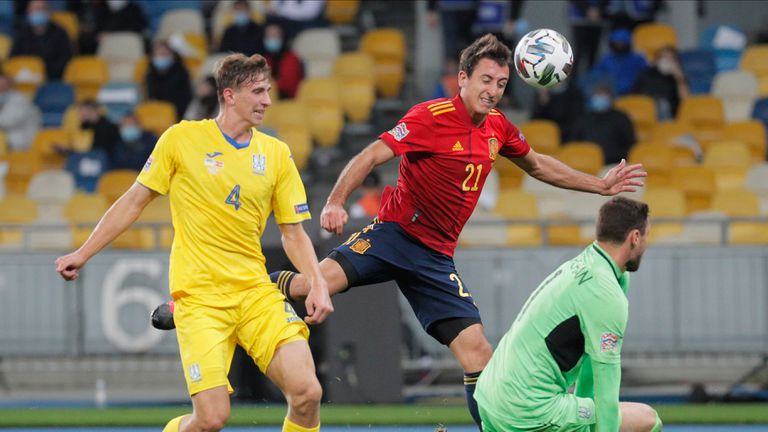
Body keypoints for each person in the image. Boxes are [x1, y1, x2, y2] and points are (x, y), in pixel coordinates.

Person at [151, 34, 646, 430]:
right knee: (310, 285)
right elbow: (372, 154)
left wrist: (599, 185)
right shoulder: (430, 117)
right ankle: (195, 304)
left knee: (479, 354)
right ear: (463, 78)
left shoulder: (498, 127)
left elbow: (537, 165)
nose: (493, 90)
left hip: (434, 259)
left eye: (500, 82)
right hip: (390, 236)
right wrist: (338, 201)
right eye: (485, 80)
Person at [56, 53, 333, 432]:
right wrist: (82, 253)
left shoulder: (276, 154)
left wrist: (317, 282)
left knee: (307, 393)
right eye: (257, 91)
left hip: (255, 293)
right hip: (200, 300)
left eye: (268, 91)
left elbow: (293, 232)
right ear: (229, 95)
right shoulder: (182, 139)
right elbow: (134, 201)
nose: (267, 100)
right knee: (212, 419)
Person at [475, 196, 662, 432]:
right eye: (646, 236)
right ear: (635, 237)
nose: (646, 243)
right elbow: (606, 391)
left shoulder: (589, 265)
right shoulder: (606, 293)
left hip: (490, 401)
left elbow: (590, 368)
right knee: (648, 420)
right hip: (527, 410)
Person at [572, 84, 636, 165]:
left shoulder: (621, 118)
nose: (599, 98)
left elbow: (631, 145)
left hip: (613, 164)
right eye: (597, 95)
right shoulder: (583, 119)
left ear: (611, 98)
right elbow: (573, 143)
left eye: (603, 95)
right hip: (585, 163)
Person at [10, 0, 73, 80]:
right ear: (28, 12)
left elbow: (66, 60)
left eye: (42, 9)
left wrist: (44, 73)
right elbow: (13, 59)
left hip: (53, 79)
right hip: (25, 79)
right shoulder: (21, 34)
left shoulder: (60, 33)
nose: (38, 12)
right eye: (35, 9)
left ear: (49, 11)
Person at [631, 46, 689, 120]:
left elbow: (686, 101)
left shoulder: (679, 77)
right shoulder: (646, 74)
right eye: (663, 58)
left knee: (663, 104)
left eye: (670, 58)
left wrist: (679, 78)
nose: (666, 61)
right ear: (656, 60)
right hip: (646, 113)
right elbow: (634, 97)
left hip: (670, 117)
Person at [587, 28, 647, 96]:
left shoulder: (637, 59)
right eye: (616, 43)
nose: (619, 46)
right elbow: (594, 75)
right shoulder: (606, 59)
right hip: (609, 93)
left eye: (622, 44)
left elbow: (646, 75)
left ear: (628, 43)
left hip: (633, 93)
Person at [146, 40, 193, 120]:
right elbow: (151, 98)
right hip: (158, 114)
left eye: (165, 54)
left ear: (172, 56)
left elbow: (186, 98)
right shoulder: (150, 74)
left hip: (179, 113)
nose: (162, 57)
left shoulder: (181, 72)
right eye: (159, 55)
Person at [0, 72, 42, 152]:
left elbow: (8, 121)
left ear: (9, 85)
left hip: (22, 143)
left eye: (2, 85)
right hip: (8, 141)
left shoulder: (20, 99)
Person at [262, 22, 304, 99]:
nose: (271, 39)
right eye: (268, 36)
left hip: (289, 102)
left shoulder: (292, 58)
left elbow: (288, 86)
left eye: (274, 36)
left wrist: (270, 82)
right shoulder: (265, 59)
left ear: (283, 38)